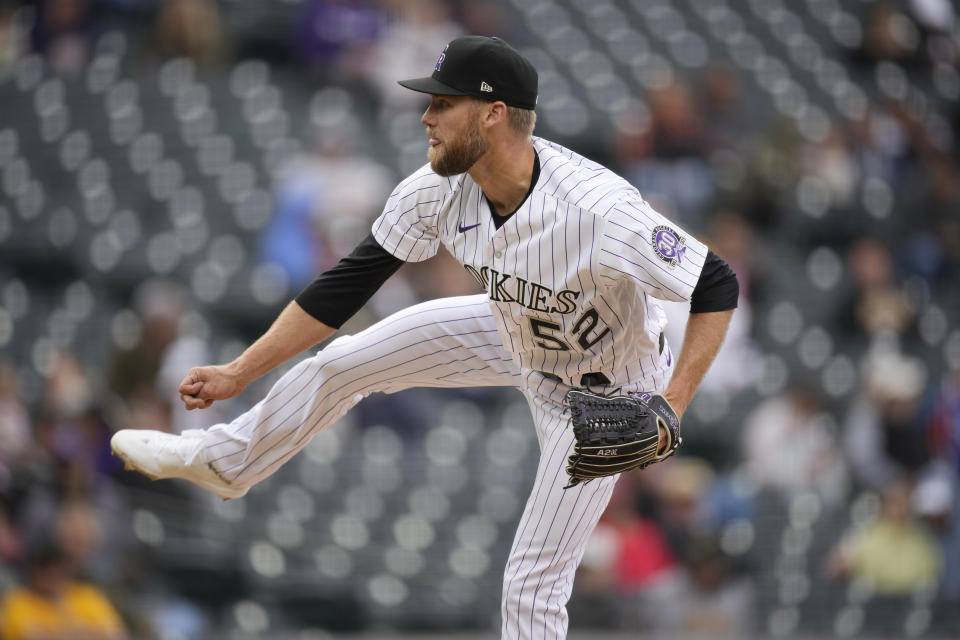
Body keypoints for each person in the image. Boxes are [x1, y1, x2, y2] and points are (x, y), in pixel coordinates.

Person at [110, 35, 738, 638]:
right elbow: (344, 288)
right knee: (345, 362)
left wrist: (669, 408)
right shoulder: (437, 189)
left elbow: (716, 283)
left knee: (532, 582)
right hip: (514, 332)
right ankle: (224, 463)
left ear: (493, 114)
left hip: (611, 390)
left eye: (442, 102)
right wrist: (240, 372)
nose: (425, 116)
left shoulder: (599, 209)